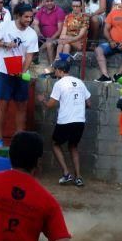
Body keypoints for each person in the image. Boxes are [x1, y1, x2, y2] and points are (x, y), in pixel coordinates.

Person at [0, 3, 38, 147]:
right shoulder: (5, 26)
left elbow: (29, 56)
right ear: (18, 16)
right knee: (3, 105)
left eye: (31, 17)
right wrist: (4, 44)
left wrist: (22, 72)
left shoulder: (32, 33)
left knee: (22, 106)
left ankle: (19, 140)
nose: (29, 19)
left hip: (20, 73)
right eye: (26, 17)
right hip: (4, 71)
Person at [36, 58, 91, 187]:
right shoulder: (79, 82)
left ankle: (66, 174)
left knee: (55, 144)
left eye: (55, 69)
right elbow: (89, 103)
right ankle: (78, 177)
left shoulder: (59, 84)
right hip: (80, 120)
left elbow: (50, 105)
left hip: (66, 120)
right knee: (73, 146)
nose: (54, 71)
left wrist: (42, 100)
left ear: (60, 71)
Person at [33, 0, 66, 66]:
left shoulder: (59, 12)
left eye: (51, 1)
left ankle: (52, 67)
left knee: (48, 44)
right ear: (43, 1)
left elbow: (60, 30)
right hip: (43, 38)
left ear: (54, 0)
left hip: (56, 38)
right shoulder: (41, 11)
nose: (49, 3)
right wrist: (38, 33)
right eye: (47, 1)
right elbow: (35, 23)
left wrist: (50, 39)